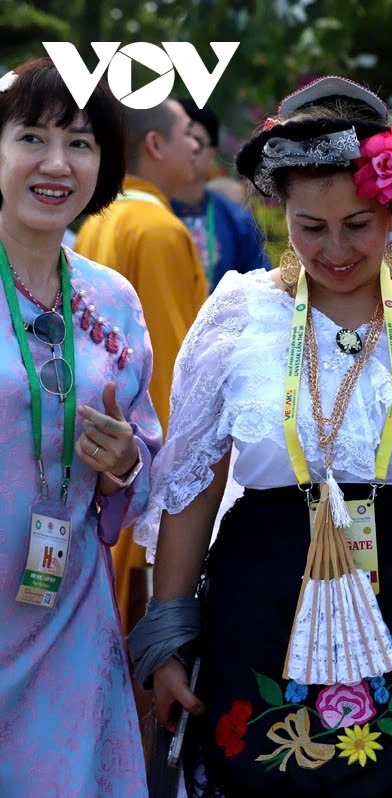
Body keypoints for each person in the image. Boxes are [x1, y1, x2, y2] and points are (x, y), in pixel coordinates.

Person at [130, 76, 392, 798]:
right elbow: (191, 486)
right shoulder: (237, 317)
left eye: (359, 223)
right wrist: (167, 637)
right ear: (279, 213)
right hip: (263, 610)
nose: (337, 250)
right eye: (309, 227)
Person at [0, 58, 161, 796]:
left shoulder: (112, 298)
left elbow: (147, 448)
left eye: (83, 142)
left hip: (68, 603)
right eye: (32, 137)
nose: (58, 164)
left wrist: (127, 460)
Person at [75, 96, 209, 633]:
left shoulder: (97, 222)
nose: (198, 147)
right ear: (154, 145)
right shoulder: (159, 230)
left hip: (95, 450)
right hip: (137, 458)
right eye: (187, 136)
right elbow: (180, 367)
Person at [171, 98, 271, 290]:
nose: (189, 148)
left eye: (197, 142)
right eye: (180, 140)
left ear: (212, 152)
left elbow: (261, 287)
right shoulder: (146, 211)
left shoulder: (237, 220)